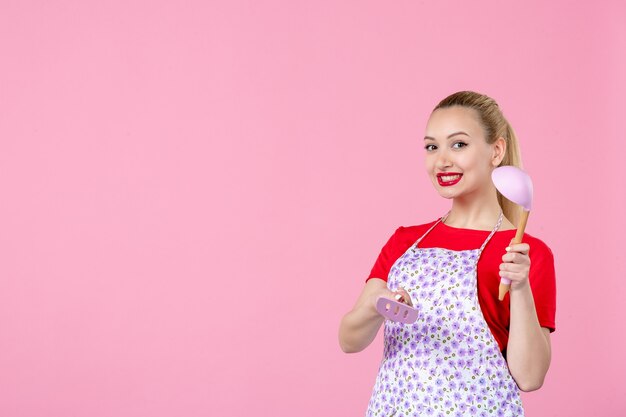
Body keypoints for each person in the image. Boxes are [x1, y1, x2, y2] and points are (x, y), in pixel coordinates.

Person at [338, 91, 556, 417]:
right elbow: (349, 340)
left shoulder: (525, 253)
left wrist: (520, 286)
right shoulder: (404, 241)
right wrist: (375, 307)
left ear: (496, 151)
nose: (442, 160)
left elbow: (530, 377)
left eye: (458, 144)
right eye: (431, 147)